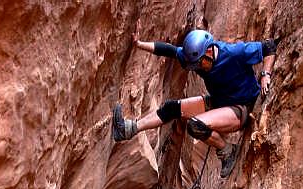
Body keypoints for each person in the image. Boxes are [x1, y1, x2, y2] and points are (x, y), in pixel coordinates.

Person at [112, 28, 278, 178]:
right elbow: (168, 50)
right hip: (220, 102)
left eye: (199, 64)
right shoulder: (196, 58)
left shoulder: (233, 53)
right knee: (172, 108)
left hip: (241, 107)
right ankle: (127, 130)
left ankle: (227, 151)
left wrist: (265, 74)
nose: (197, 68)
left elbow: (268, 47)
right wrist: (139, 44)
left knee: (195, 125)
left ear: (209, 51)